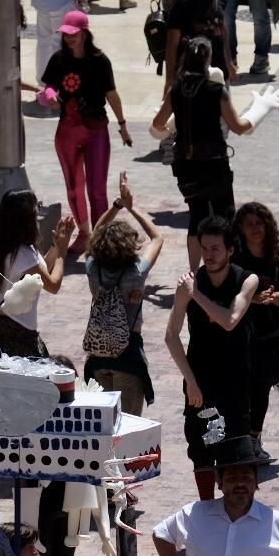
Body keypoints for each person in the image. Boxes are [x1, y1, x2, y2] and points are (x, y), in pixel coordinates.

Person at [165, 216, 257, 493]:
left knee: (235, 450)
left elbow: (229, 320)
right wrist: (190, 381)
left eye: (215, 248)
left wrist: (196, 295)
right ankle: (207, 512)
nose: (209, 255)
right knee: (202, 448)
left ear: (230, 250)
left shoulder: (246, 280)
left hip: (235, 381)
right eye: (204, 249)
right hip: (201, 381)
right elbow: (171, 336)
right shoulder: (189, 284)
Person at [152, 40, 257, 270]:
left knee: (197, 215)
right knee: (225, 216)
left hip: (186, 166)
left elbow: (158, 123)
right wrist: (258, 112)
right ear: (208, 61)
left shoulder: (176, 89)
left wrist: (174, 125)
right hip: (214, 164)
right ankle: (228, 269)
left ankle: (193, 271)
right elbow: (238, 127)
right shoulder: (216, 91)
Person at [42, 11, 130, 250]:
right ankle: (83, 233)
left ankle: (100, 238)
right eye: (66, 34)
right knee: (73, 188)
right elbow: (48, 86)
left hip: (96, 130)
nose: (69, 38)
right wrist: (50, 96)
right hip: (67, 131)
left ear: (84, 34)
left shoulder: (100, 61)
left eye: (74, 34)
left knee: (97, 189)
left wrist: (122, 125)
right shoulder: (59, 60)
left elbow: (112, 94)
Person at [81, 175, 161, 415]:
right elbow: (157, 237)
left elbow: (95, 233)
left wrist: (116, 206)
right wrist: (131, 206)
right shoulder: (135, 272)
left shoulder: (93, 267)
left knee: (104, 426)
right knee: (128, 429)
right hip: (128, 356)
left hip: (97, 357)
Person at [232, 204, 279, 454]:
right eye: (250, 224)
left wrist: (272, 298)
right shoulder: (235, 256)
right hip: (242, 334)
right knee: (241, 387)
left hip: (271, 334)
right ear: (241, 228)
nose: (256, 228)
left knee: (262, 388)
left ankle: (254, 437)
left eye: (260, 223)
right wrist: (251, 298)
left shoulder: (277, 255)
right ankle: (239, 436)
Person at [0, 190, 72, 358]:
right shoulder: (23, 254)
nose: (39, 211)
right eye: (37, 206)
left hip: (1, 325)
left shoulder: (0, 244)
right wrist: (62, 252)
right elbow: (53, 284)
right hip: (17, 331)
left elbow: (40, 269)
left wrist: (55, 246)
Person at [163, 0, 230, 90]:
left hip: (219, 75)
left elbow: (223, 33)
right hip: (190, 79)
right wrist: (169, 80)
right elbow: (172, 44)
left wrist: (229, 64)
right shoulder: (183, 2)